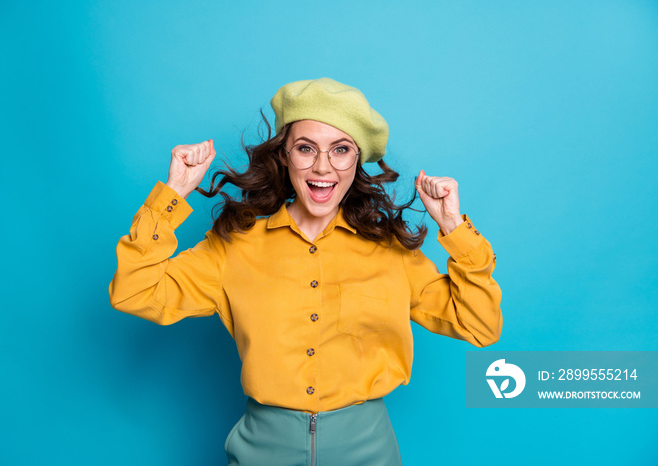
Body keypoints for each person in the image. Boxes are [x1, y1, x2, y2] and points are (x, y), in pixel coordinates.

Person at [109, 77, 502, 465]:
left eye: (341, 150)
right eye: (305, 148)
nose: (322, 167)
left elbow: (479, 325)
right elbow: (134, 292)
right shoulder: (234, 245)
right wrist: (173, 194)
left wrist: (453, 227)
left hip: (368, 449)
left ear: (357, 159)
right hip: (262, 450)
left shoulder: (391, 252)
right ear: (284, 155)